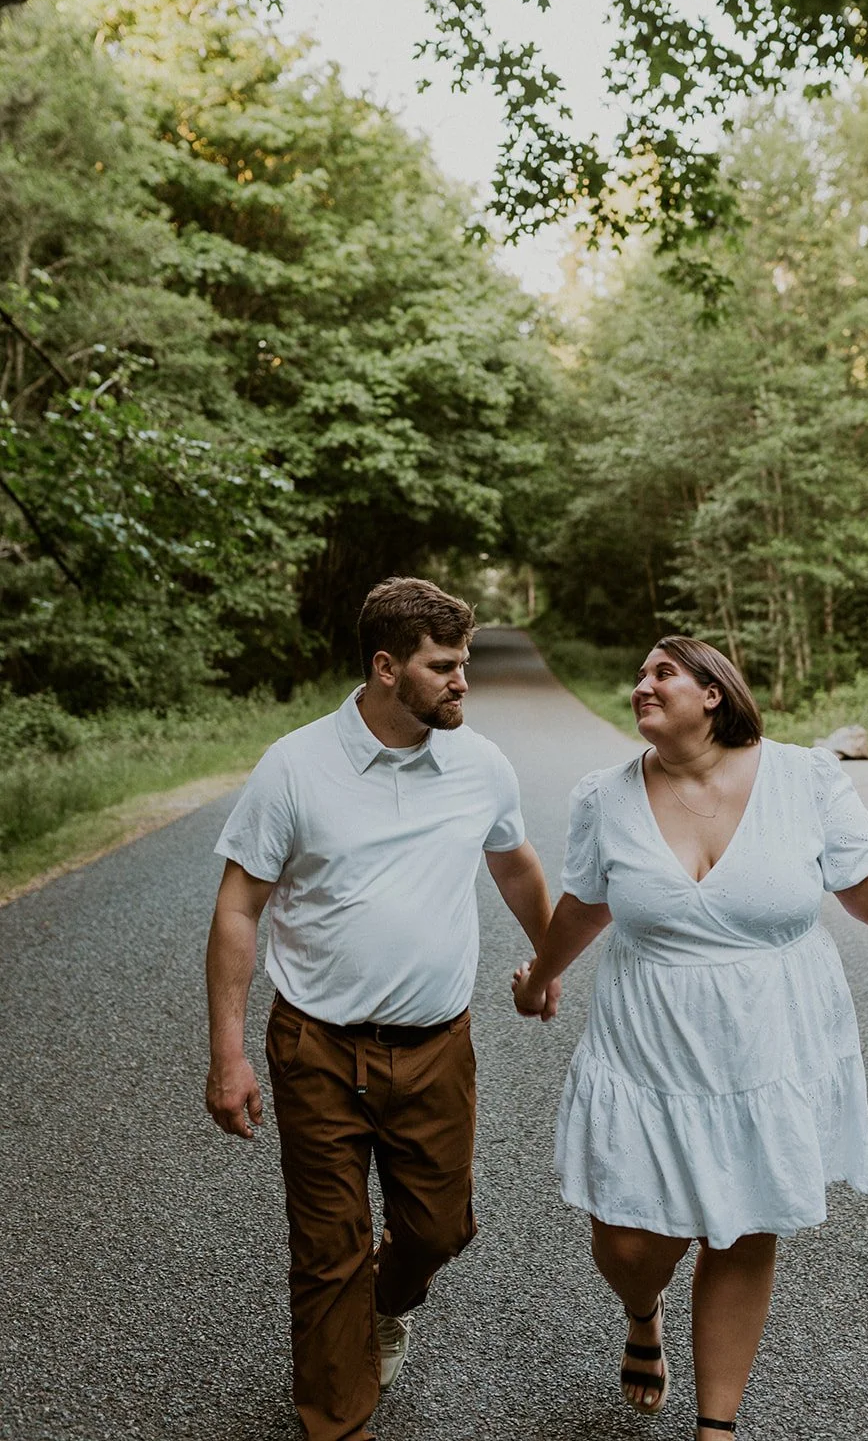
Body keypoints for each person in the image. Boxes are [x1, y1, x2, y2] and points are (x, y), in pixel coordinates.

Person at [512, 635, 868, 1438]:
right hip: (648, 1041)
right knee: (632, 1241)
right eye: (637, 674)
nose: (641, 684)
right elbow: (585, 906)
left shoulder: (803, 778)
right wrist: (537, 978)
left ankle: (717, 1426)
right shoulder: (604, 796)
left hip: (768, 1039)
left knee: (742, 1222)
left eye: (661, 672)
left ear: (713, 693)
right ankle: (642, 1313)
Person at [205, 576, 557, 1441]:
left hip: (437, 1046)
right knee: (327, 1254)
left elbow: (513, 864)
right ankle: (338, 1420)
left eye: (464, 662)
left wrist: (550, 963)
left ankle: (386, 1305)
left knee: (437, 1231)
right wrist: (228, 1054)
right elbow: (238, 907)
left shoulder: (480, 763)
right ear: (386, 666)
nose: (463, 681)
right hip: (317, 1045)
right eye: (445, 666)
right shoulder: (295, 765)